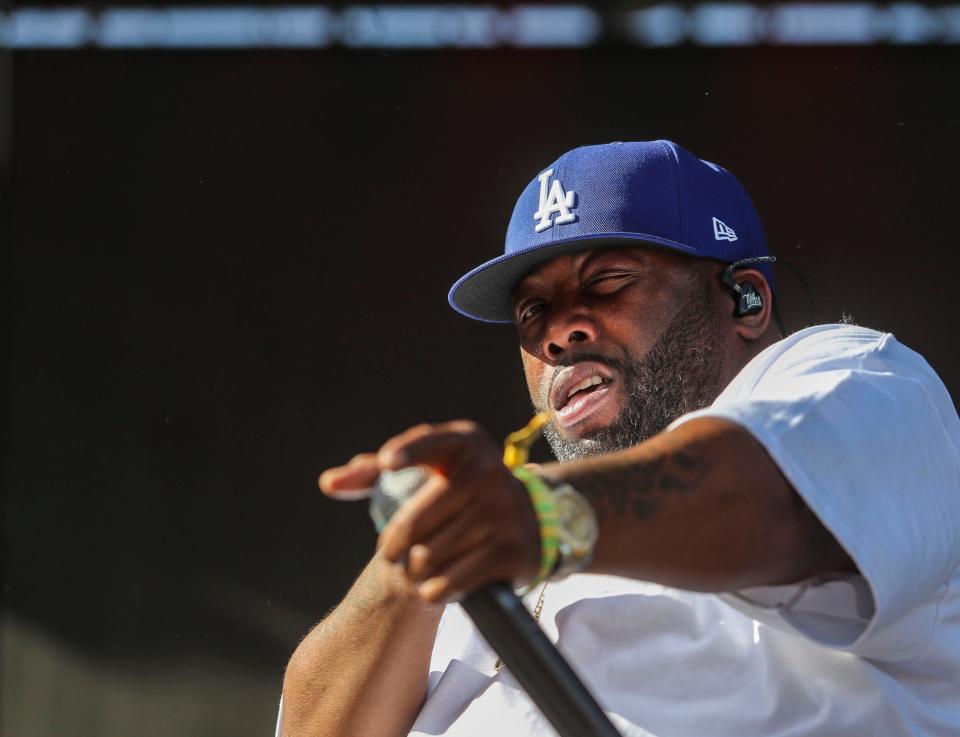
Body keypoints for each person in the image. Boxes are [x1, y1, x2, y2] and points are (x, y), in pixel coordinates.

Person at [278, 141, 960, 737]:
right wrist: (409, 562)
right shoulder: (486, 540)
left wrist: (536, 514)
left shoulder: (859, 377)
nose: (557, 332)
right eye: (532, 311)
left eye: (607, 282)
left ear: (745, 297)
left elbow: (769, 496)